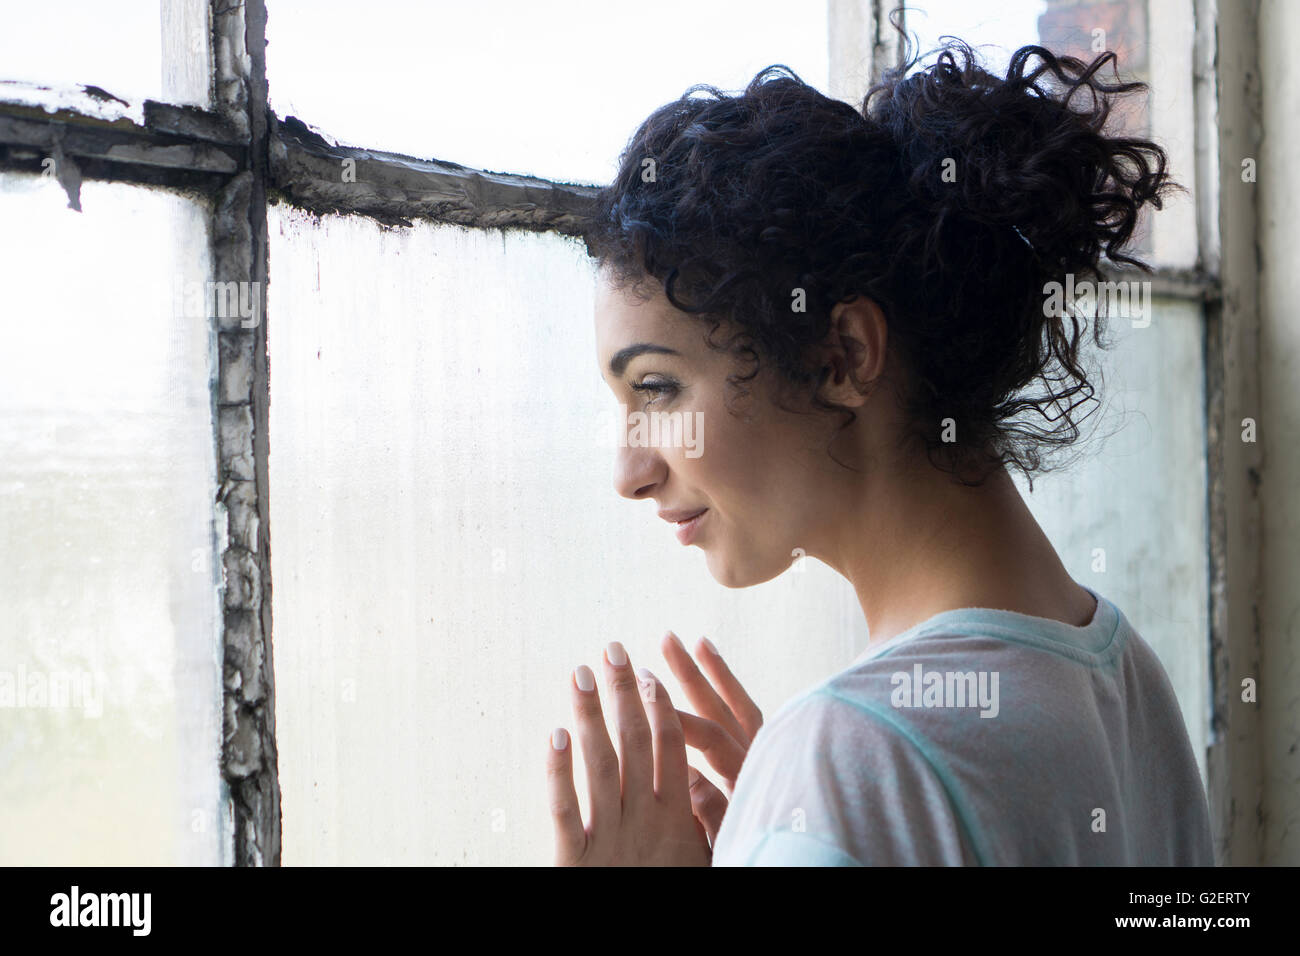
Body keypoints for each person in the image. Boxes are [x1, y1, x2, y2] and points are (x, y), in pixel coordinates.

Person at [544, 38, 1216, 866]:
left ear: (844, 356)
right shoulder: (1122, 672)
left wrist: (816, 806)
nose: (628, 474)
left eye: (656, 389)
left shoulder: (844, 760)